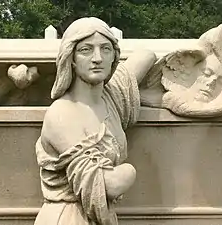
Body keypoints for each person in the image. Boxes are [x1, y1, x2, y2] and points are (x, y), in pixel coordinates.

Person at [34, 17, 156, 225]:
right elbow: (105, 186)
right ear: (71, 58)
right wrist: (129, 171)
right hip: (68, 219)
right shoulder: (62, 113)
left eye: (105, 49)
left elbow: (147, 56)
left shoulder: (111, 98)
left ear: (114, 58)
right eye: (86, 50)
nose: (97, 58)